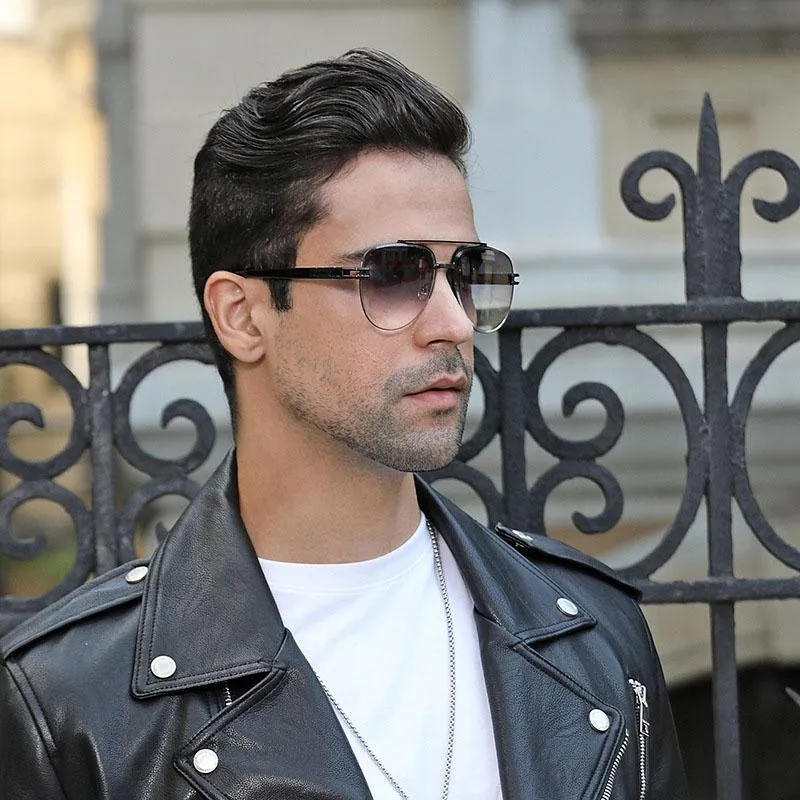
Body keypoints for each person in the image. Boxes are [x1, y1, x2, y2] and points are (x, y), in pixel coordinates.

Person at [0, 49, 688, 799]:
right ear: (243, 316)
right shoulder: (72, 704)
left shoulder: (593, 633)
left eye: (466, 274)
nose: (455, 323)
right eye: (393, 274)